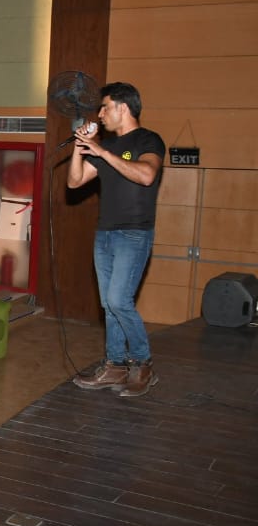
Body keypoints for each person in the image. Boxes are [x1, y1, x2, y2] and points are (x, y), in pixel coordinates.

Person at [67, 81, 165, 397]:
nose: (100, 114)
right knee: (108, 304)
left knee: (120, 300)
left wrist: (101, 151)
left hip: (134, 233)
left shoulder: (148, 139)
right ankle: (115, 366)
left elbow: (146, 175)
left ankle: (143, 364)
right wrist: (80, 147)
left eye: (105, 107)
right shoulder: (106, 146)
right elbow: (75, 181)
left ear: (123, 107)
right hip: (105, 234)